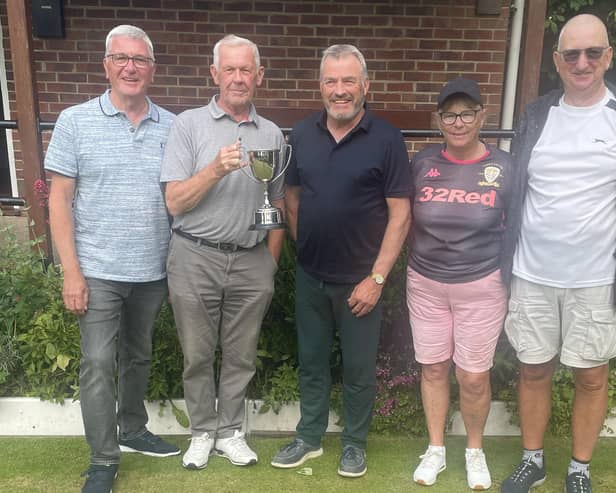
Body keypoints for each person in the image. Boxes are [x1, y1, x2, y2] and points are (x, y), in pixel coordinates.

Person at [45, 24, 179, 493]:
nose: (130, 67)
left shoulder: (172, 125)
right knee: (98, 363)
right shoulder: (75, 121)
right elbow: (59, 200)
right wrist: (72, 272)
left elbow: (179, 195)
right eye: (121, 58)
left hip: (152, 269)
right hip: (97, 271)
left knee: (138, 355)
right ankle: (104, 457)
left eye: (139, 60)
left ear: (152, 70)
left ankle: (134, 427)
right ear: (106, 65)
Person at [270, 44, 411, 478]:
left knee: (358, 369)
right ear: (321, 87)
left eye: (349, 81)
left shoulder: (387, 138)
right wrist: (307, 246)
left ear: (365, 85)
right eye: (331, 81)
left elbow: (401, 214)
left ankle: (353, 444)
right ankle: (309, 438)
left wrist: (377, 278)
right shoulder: (302, 133)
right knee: (311, 362)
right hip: (312, 278)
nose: (340, 90)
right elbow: (291, 199)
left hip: (361, 283)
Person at [501, 14, 616, 493]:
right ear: (557, 61)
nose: (582, 63)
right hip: (532, 272)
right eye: (572, 54)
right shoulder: (535, 114)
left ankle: (579, 469)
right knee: (533, 369)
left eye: (592, 53)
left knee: (591, 377)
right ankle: (534, 460)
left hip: (596, 277)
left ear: (608, 56)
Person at [160, 34, 285, 470]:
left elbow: (276, 202)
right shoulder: (187, 125)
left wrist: (269, 259)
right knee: (197, 353)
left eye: (245, 69)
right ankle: (201, 431)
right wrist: (214, 169)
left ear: (259, 77)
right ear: (214, 74)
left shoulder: (270, 133)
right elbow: (174, 202)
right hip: (195, 255)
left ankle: (230, 431)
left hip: (251, 259)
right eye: (229, 69)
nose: (238, 78)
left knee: (241, 353)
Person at [406, 77, 517, 490]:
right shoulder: (422, 162)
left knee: (472, 375)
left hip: (482, 284)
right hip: (426, 283)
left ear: (481, 116)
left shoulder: (504, 167)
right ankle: (435, 449)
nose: (458, 122)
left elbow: (518, 223)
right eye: (449, 114)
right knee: (433, 367)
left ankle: (474, 450)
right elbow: (403, 216)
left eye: (466, 113)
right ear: (438, 120)